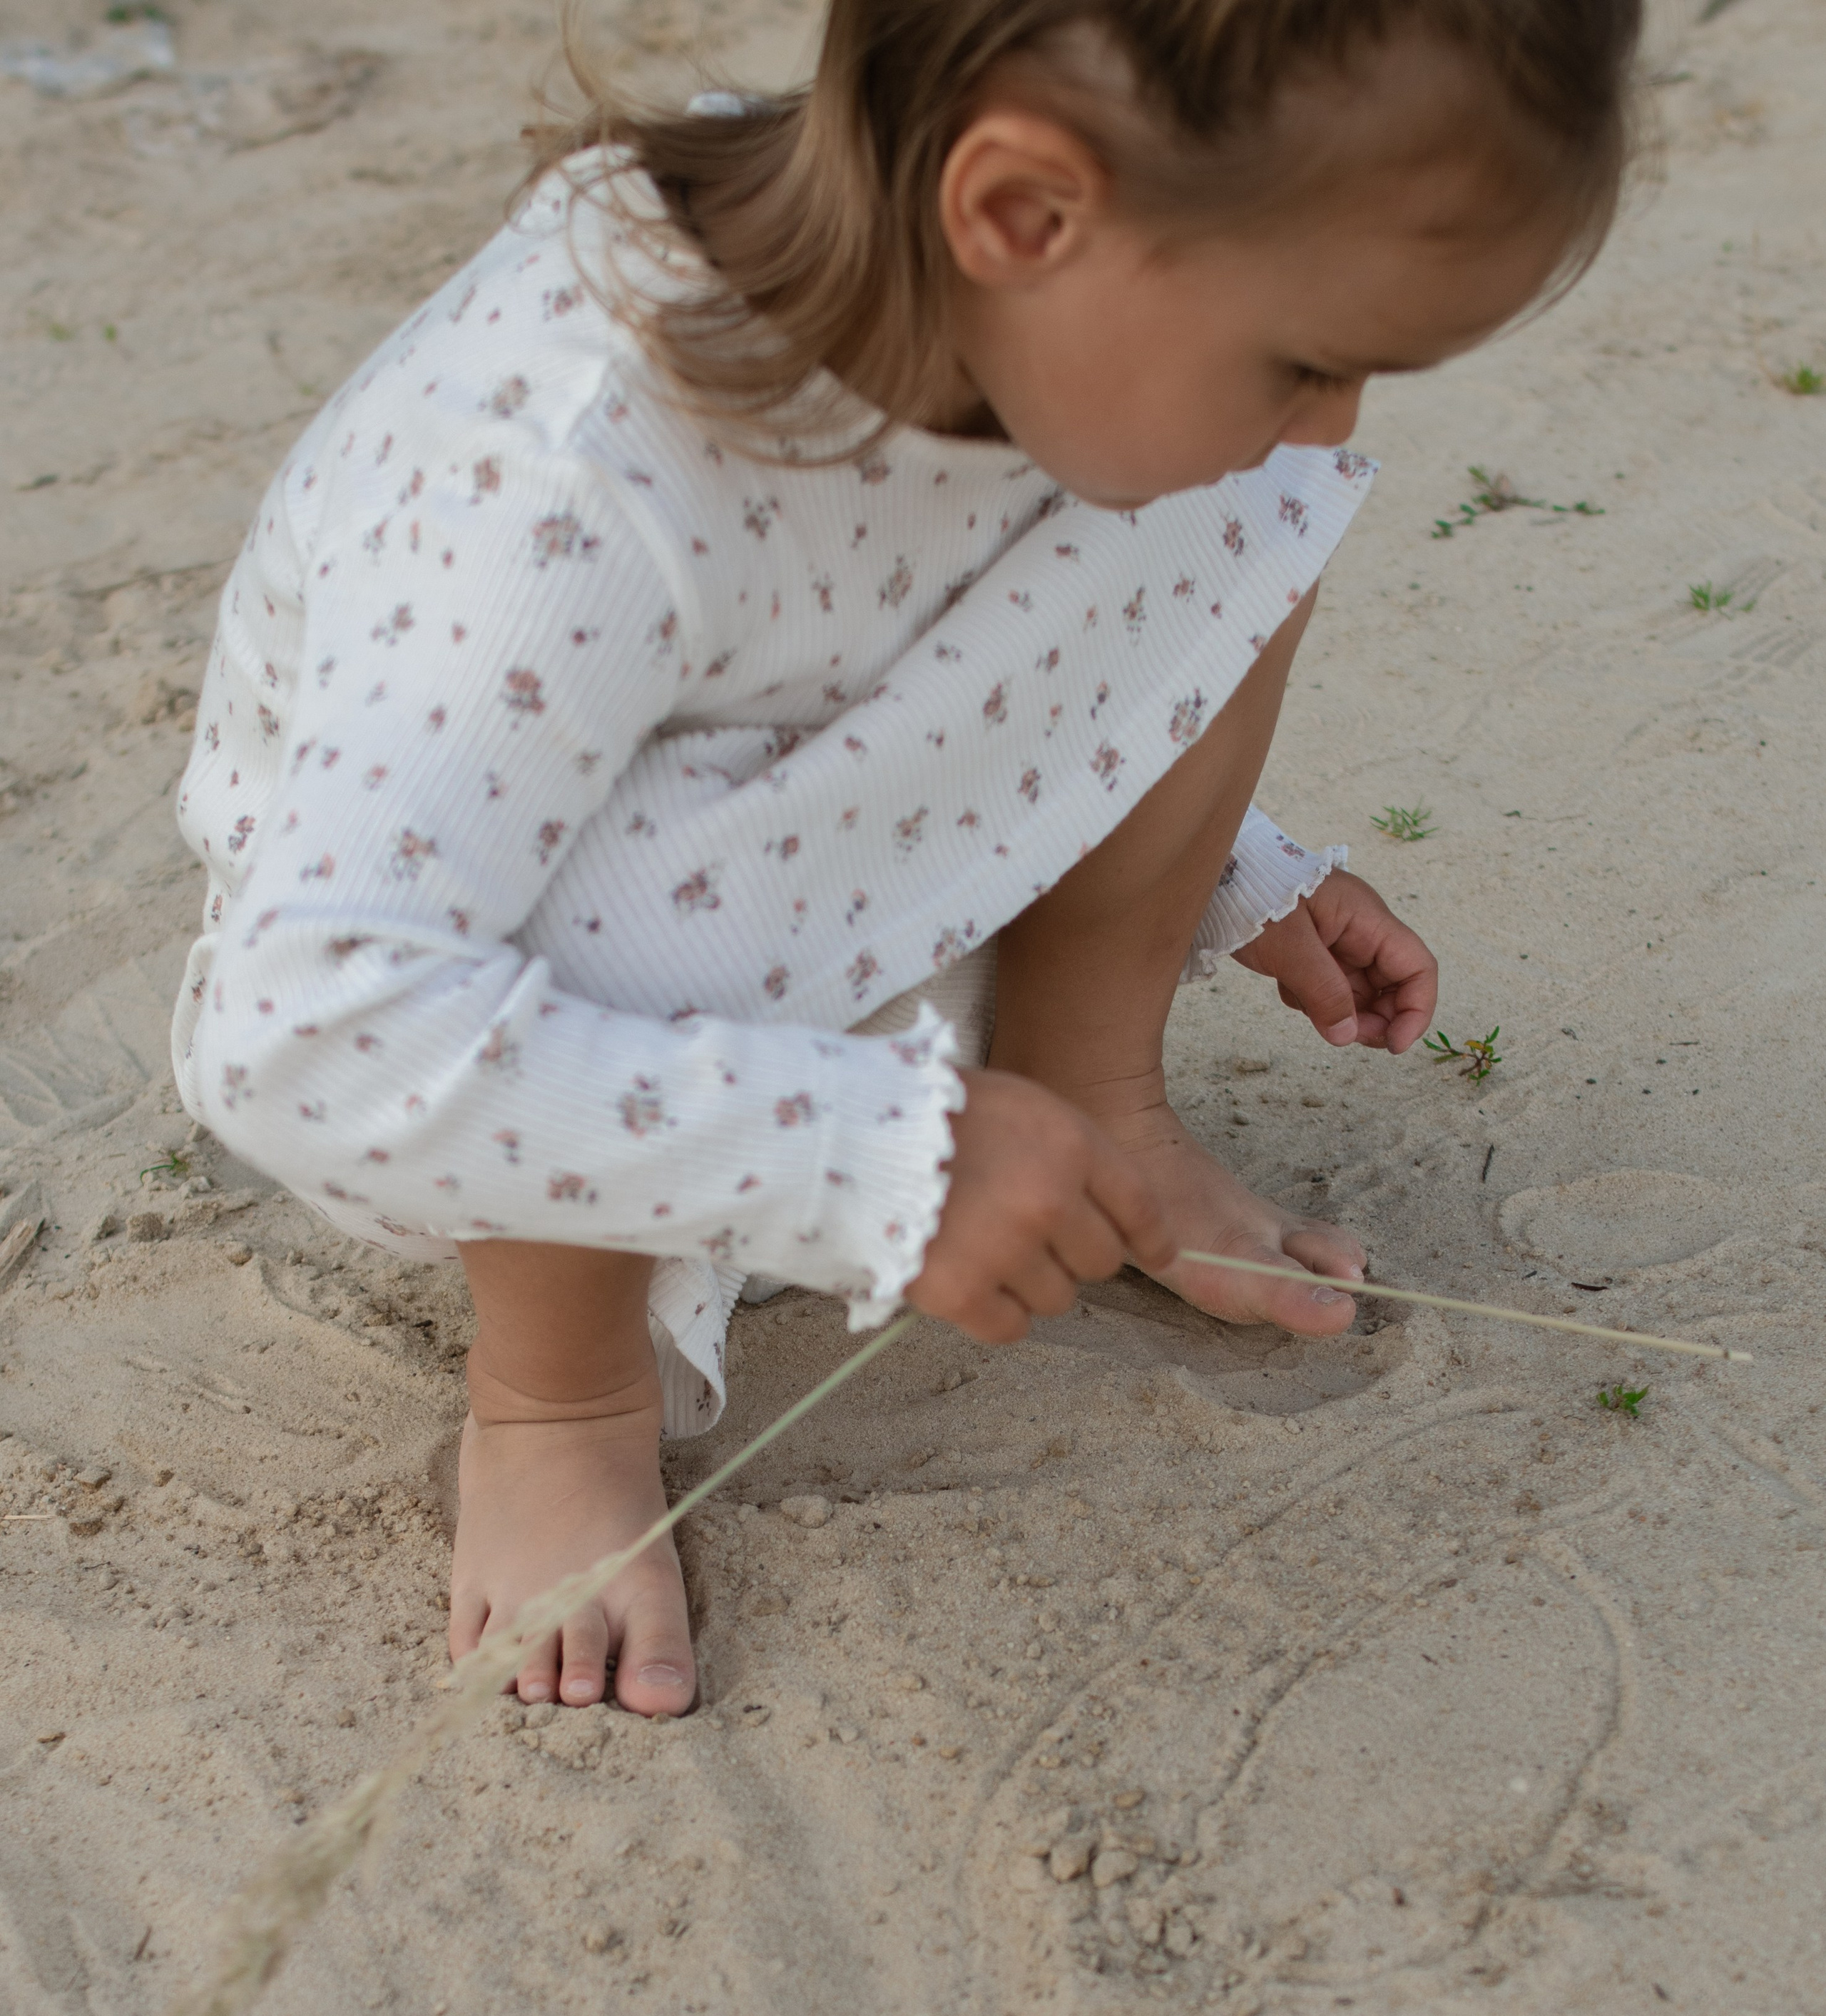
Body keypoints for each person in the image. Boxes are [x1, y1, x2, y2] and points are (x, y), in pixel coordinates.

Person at [171, 0, 1641, 1712]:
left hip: (779, 835)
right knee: (620, 885)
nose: (1329, 418)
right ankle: (561, 1393)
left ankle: (1097, 1095)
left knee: (1228, 501)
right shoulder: (564, 481)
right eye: (1301, 356)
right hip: (480, 981)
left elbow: (934, 633)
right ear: (1020, 210)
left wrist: (1222, 857)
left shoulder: (995, 303)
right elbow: (304, 1028)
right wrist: (870, 1158)